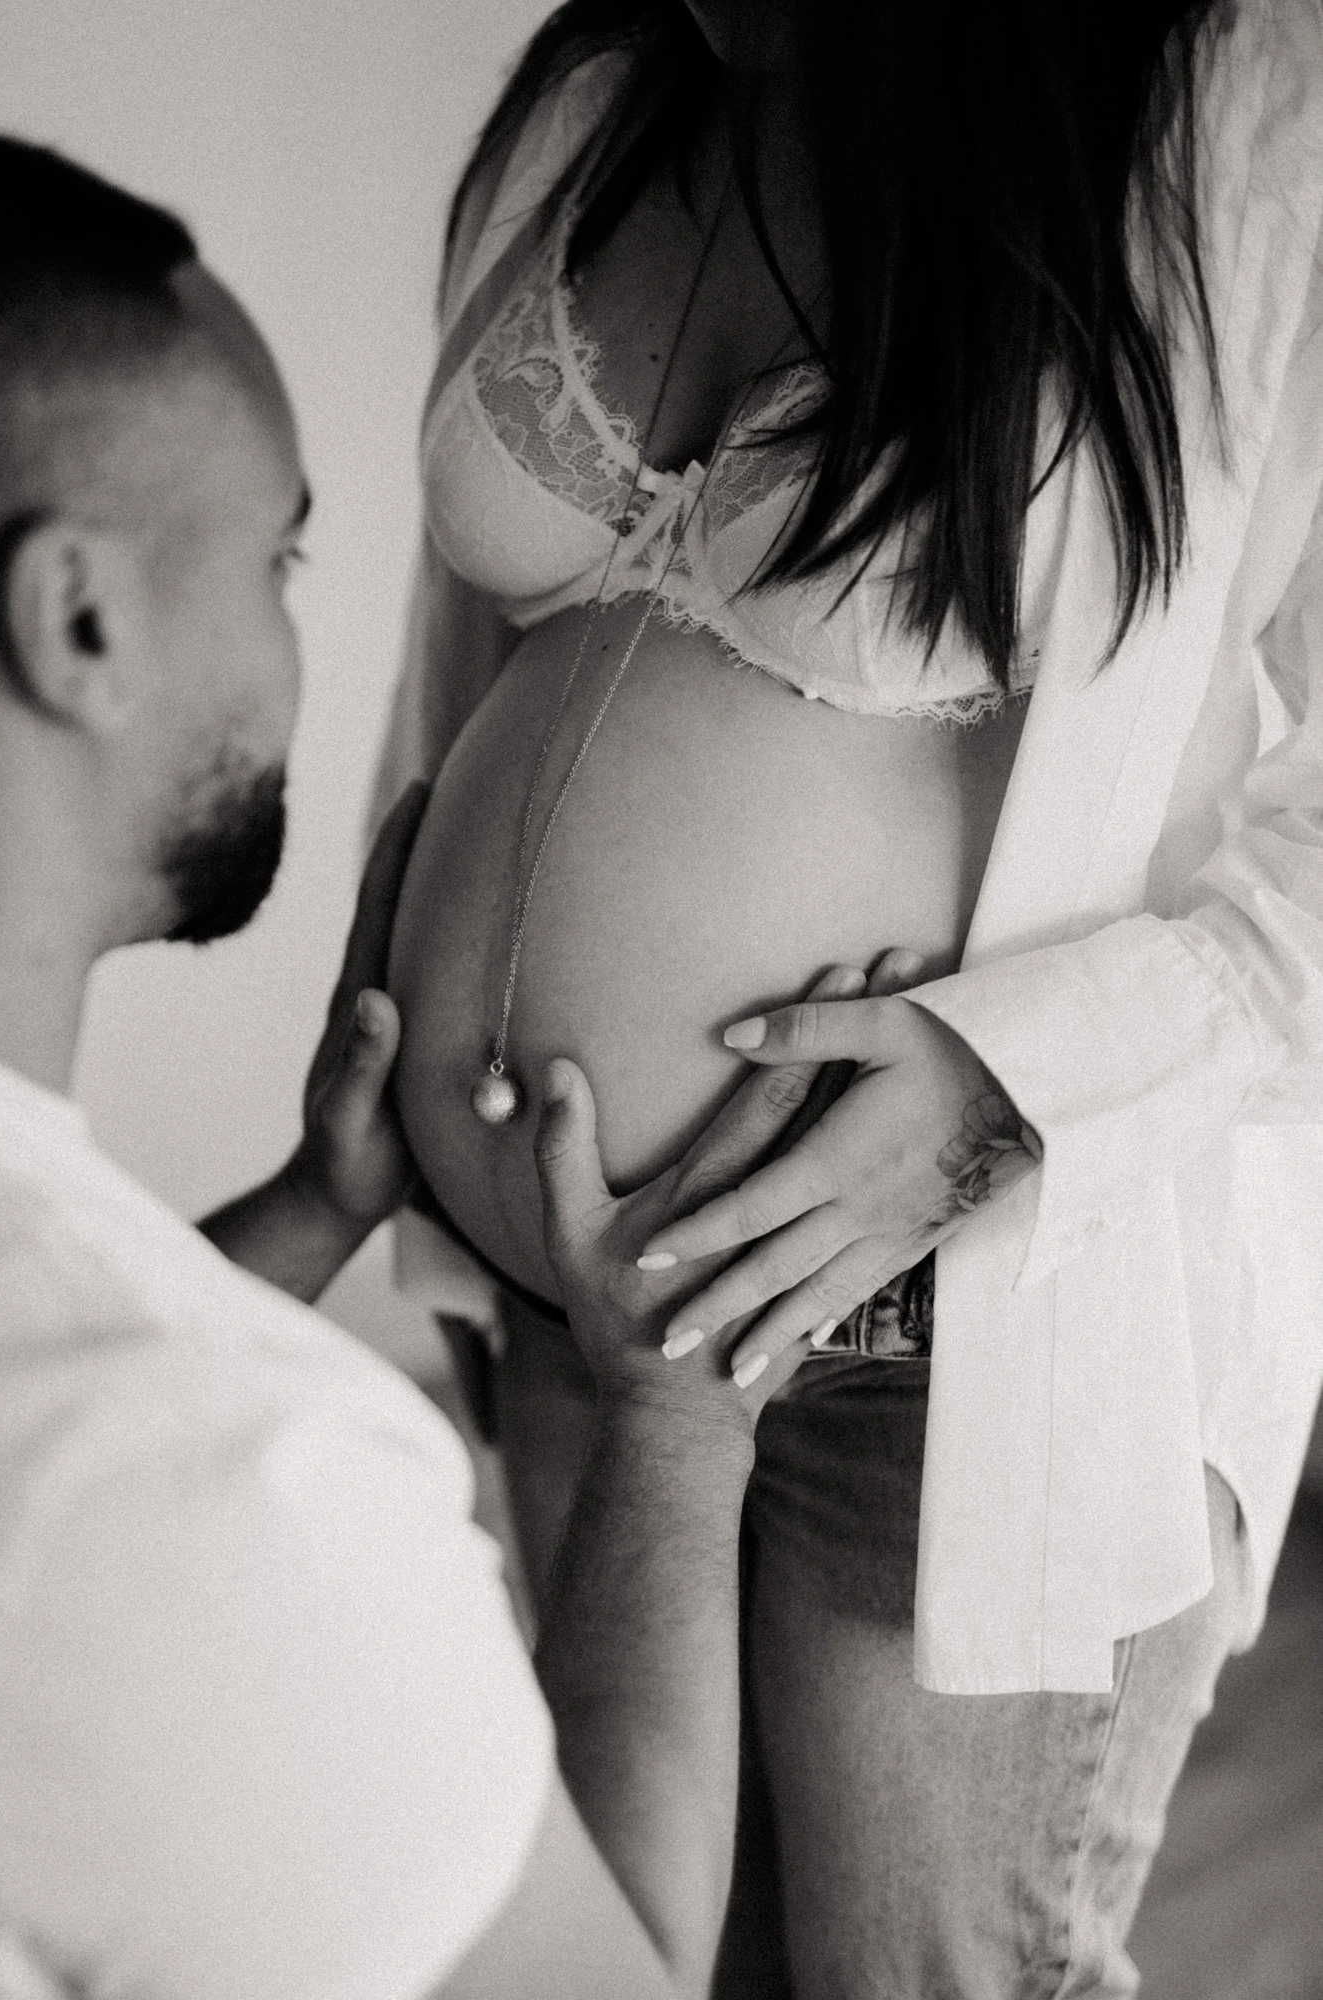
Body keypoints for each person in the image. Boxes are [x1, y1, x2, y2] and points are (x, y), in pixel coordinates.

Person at [375, 1, 1323, 1993]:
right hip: (571, 1303)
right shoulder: (609, 90)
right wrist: (398, 1043)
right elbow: (466, 658)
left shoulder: (1253, 107)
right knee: (628, 1968)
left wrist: (1008, 1090)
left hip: (945, 1339)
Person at [0, 132, 884, 2000]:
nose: (295, 624)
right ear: (77, 622)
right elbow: (617, 1974)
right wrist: (675, 1426)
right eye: (280, 554)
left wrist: (310, 1214)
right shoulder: (223, 1497)